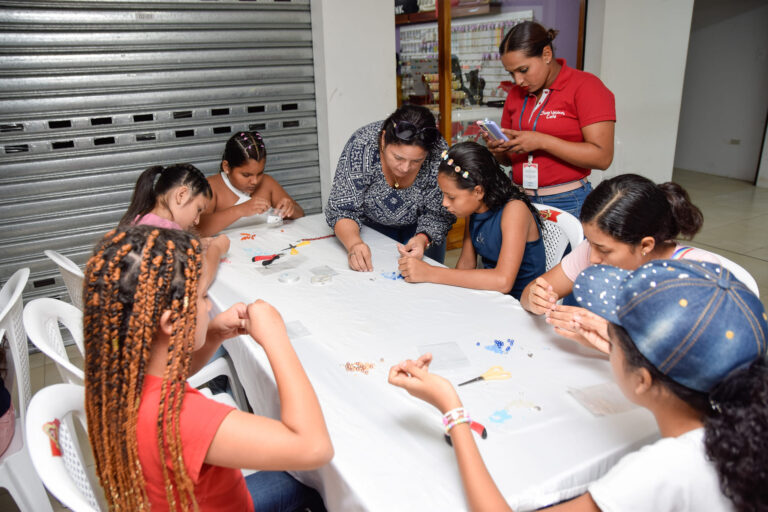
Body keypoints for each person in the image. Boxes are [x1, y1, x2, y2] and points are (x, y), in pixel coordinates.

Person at [389, 258, 768, 511]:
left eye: (614, 333)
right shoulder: (742, 416)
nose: (606, 335)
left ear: (643, 379)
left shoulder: (665, 469)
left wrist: (453, 410)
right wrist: (614, 348)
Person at [83, 226, 333, 511]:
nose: (209, 304)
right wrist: (276, 338)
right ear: (171, 322)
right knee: (321, 486)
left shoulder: (118, 373)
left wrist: (213, 334)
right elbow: (314, 448)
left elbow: (171, 374)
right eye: (202, 297)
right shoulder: (178, 417)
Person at [519, 173, 720, 352]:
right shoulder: (593, 249)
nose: (592, 258)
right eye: (590, 242)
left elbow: (695, 358)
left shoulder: (696, 273)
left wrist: (615, 341)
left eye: (604, 249)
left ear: (646, 245)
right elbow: (529, 293)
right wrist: (535, 299)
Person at [484, 21, 615, 217]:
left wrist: (542, 141)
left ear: (546, 54)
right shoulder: (515, 94)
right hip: (519, 198)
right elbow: (510, 161)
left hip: (567, 200)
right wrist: (499, 150)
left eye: (523, 70)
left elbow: (602, 157)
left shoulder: (587, 87)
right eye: (511, 73)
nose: (517, 81)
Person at [398, 142, 545, 300]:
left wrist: (430, 272)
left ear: (478, 191)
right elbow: (466, 264)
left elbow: (503, 281)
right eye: (443, 195)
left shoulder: (515, 210)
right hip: (490, 297)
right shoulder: (473, 210)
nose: (444, 203)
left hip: (522, 305)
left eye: (451, 197)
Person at [325, 105, 456, 271]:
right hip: (370, 231)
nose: (405, 168)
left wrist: (423, 238)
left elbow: (440, 212)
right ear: (383, 139)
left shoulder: (439, 153)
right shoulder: (363, 145)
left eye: (416, 161)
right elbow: (342, 208)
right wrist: (354, 244)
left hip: (422, 232)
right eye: (398, 157)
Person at [120, 163, 230, 290]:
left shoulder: (143, 219)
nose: (197, 221)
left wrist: (194, 244)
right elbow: (200, 284)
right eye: (198, 209)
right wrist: (216, 249)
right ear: (181, 195)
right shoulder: (163, 232)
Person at [198, 131, 304, 236]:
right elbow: (198, 229)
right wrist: (240, 210)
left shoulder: (267, 183)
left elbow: (301, 214)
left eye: (260, 173)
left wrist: (291, 209)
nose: (255, 181)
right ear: (226, 167)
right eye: (246, 175)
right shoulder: (211, 187)